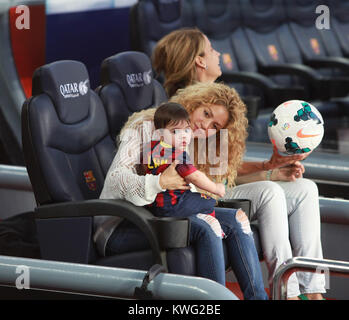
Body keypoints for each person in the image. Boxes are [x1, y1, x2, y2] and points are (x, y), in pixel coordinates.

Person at [152, 28, 326, 300]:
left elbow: (223, 171)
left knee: (305, 188)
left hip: (218, 188)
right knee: (270, 192)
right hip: (200, 197)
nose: (218, 54)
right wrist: (267, 174)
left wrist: (269, 167)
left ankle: (313, 292)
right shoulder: (182, 111)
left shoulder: (214, 101)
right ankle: (287, 292)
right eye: (211, 49)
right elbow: (204, 179)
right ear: (199, 61)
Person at [96, 82, 269, 300]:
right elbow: (115, 180)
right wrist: (159, 181)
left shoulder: (183, 137)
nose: (205, 126)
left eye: (215, 126)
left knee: (237, 219)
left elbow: (185, 185)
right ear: (194, 103)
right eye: (206, 113)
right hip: (122, 224)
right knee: (208, 225)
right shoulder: (144, 126)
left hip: (164, 214)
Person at [143, 102, 225, 221]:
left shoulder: (150, 148)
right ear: (160, 134)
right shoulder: (178, 154)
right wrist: (216, 188)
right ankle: (212, 226)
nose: (183, 136)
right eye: (175, 132)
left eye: (186, 130)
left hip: (154, 206)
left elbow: (143, 168)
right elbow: (195, 177)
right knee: (209, 202)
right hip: (175, 203)